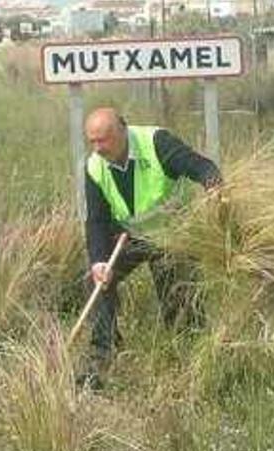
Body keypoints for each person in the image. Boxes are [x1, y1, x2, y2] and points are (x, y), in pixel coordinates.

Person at [81, 107, 222, 388]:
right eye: (92, 141)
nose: (97, 148)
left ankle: (195, 365)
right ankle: (101, 359)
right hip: (129, 237)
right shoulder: (95, 165)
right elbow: (96, 219)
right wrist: (98, 260)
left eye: (103, 140)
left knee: (177, 300)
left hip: (172, 235)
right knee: (96, 282)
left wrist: (213, 185)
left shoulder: (157, 142)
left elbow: (200, 166)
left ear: (122, 131)